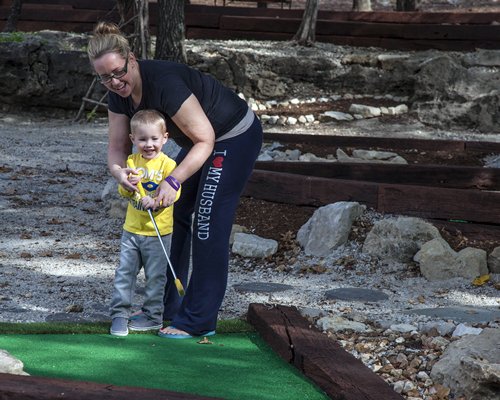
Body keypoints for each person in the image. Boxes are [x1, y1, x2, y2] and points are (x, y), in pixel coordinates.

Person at [88, 22, 263, 339]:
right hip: (202, 143)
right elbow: (117, 148)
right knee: (173, 213)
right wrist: (120, 173)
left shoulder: (164, 82)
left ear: (133, 59)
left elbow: (205, 140)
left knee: (208, 221)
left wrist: (173, 181)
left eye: (118, 72)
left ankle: (198, 319)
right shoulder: (119, 95)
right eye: (104, 77)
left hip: (232, 136)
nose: (114, 82)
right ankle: (169, 309)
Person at [110, 109, 181, 337]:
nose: (148, 144)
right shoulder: (131, 162)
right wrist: (128, 186)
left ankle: (152, 316)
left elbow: (174, 194)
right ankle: (120, 315)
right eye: (142, 139)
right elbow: (124, 192)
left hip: (158, 233)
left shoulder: (169, 165)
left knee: (155, 277)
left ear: (165, 138)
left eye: (154, 139)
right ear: (133, 140)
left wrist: (157, 200)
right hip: (131, 231)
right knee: (125, 274)